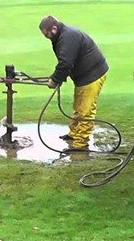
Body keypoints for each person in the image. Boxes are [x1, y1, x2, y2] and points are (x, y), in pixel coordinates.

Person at [39, 15, 109, 151]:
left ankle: (80, 143)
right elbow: (66, 62)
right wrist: (58, 77)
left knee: (86, 111)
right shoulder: (60, 35)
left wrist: (55, 80)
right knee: (78, 107)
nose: (46, 37)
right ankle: (74, 134)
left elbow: (65, 63)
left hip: (92, 74)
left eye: (47, 34)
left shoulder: (67, 37)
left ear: (54, 28)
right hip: (83, 76)